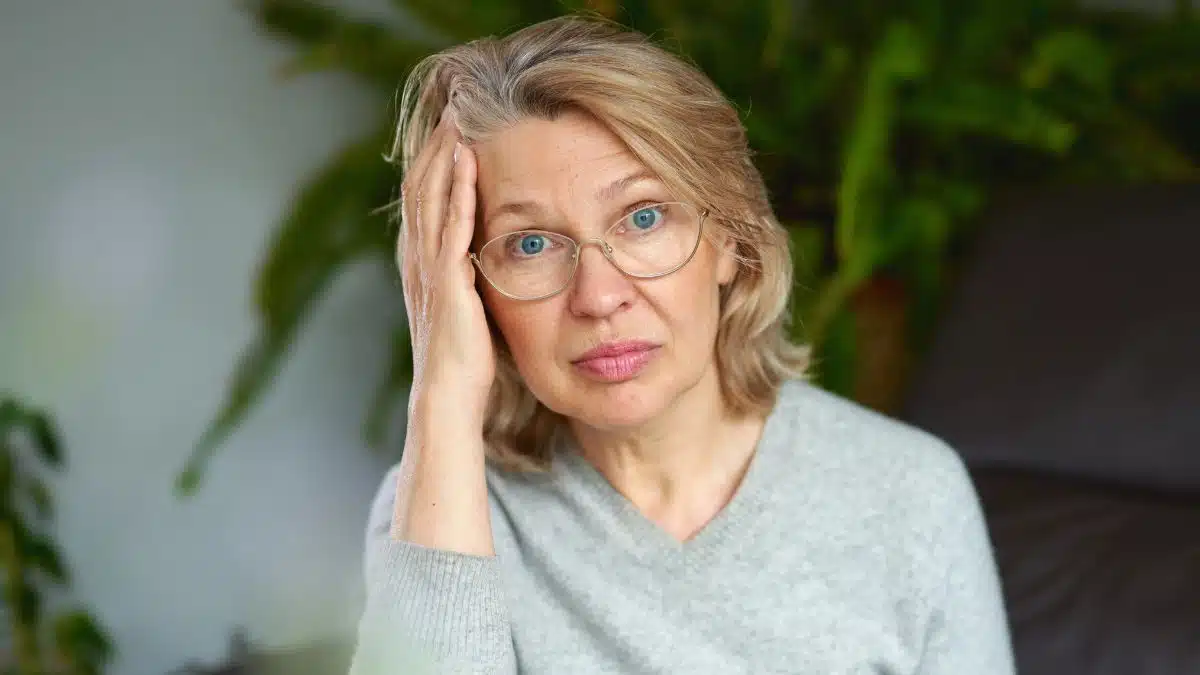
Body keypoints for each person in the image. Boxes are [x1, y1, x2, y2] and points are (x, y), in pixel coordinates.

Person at [349, 15, 1015, 675]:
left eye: (643, 217)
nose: (599, 295)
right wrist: (440, 393)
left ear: (730, 235)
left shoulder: (911, 493)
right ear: (472, 286)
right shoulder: (440, 504)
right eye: (531, 244)